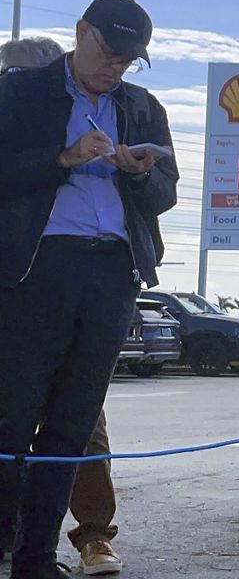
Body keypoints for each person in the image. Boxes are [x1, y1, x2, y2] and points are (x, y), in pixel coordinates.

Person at [0, 0, 178, 579]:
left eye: (129, 62)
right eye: (109, 54)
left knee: (74, 423)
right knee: (12, 418)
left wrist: (141, 172)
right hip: (37, 268)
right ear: (81, 33)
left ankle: (35, 559)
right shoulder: (22, 92)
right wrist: (63, 158)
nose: (116, 69)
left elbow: (165, 194)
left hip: (113, 272)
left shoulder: (142, 107)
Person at [0, 36, 126, 577]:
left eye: (21, 73)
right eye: (7, 73)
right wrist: (59, 159)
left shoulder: (104, 109)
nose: (12, 82)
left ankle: (83, 538)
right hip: (22, 288)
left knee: (77, 424)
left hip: (74, 286)